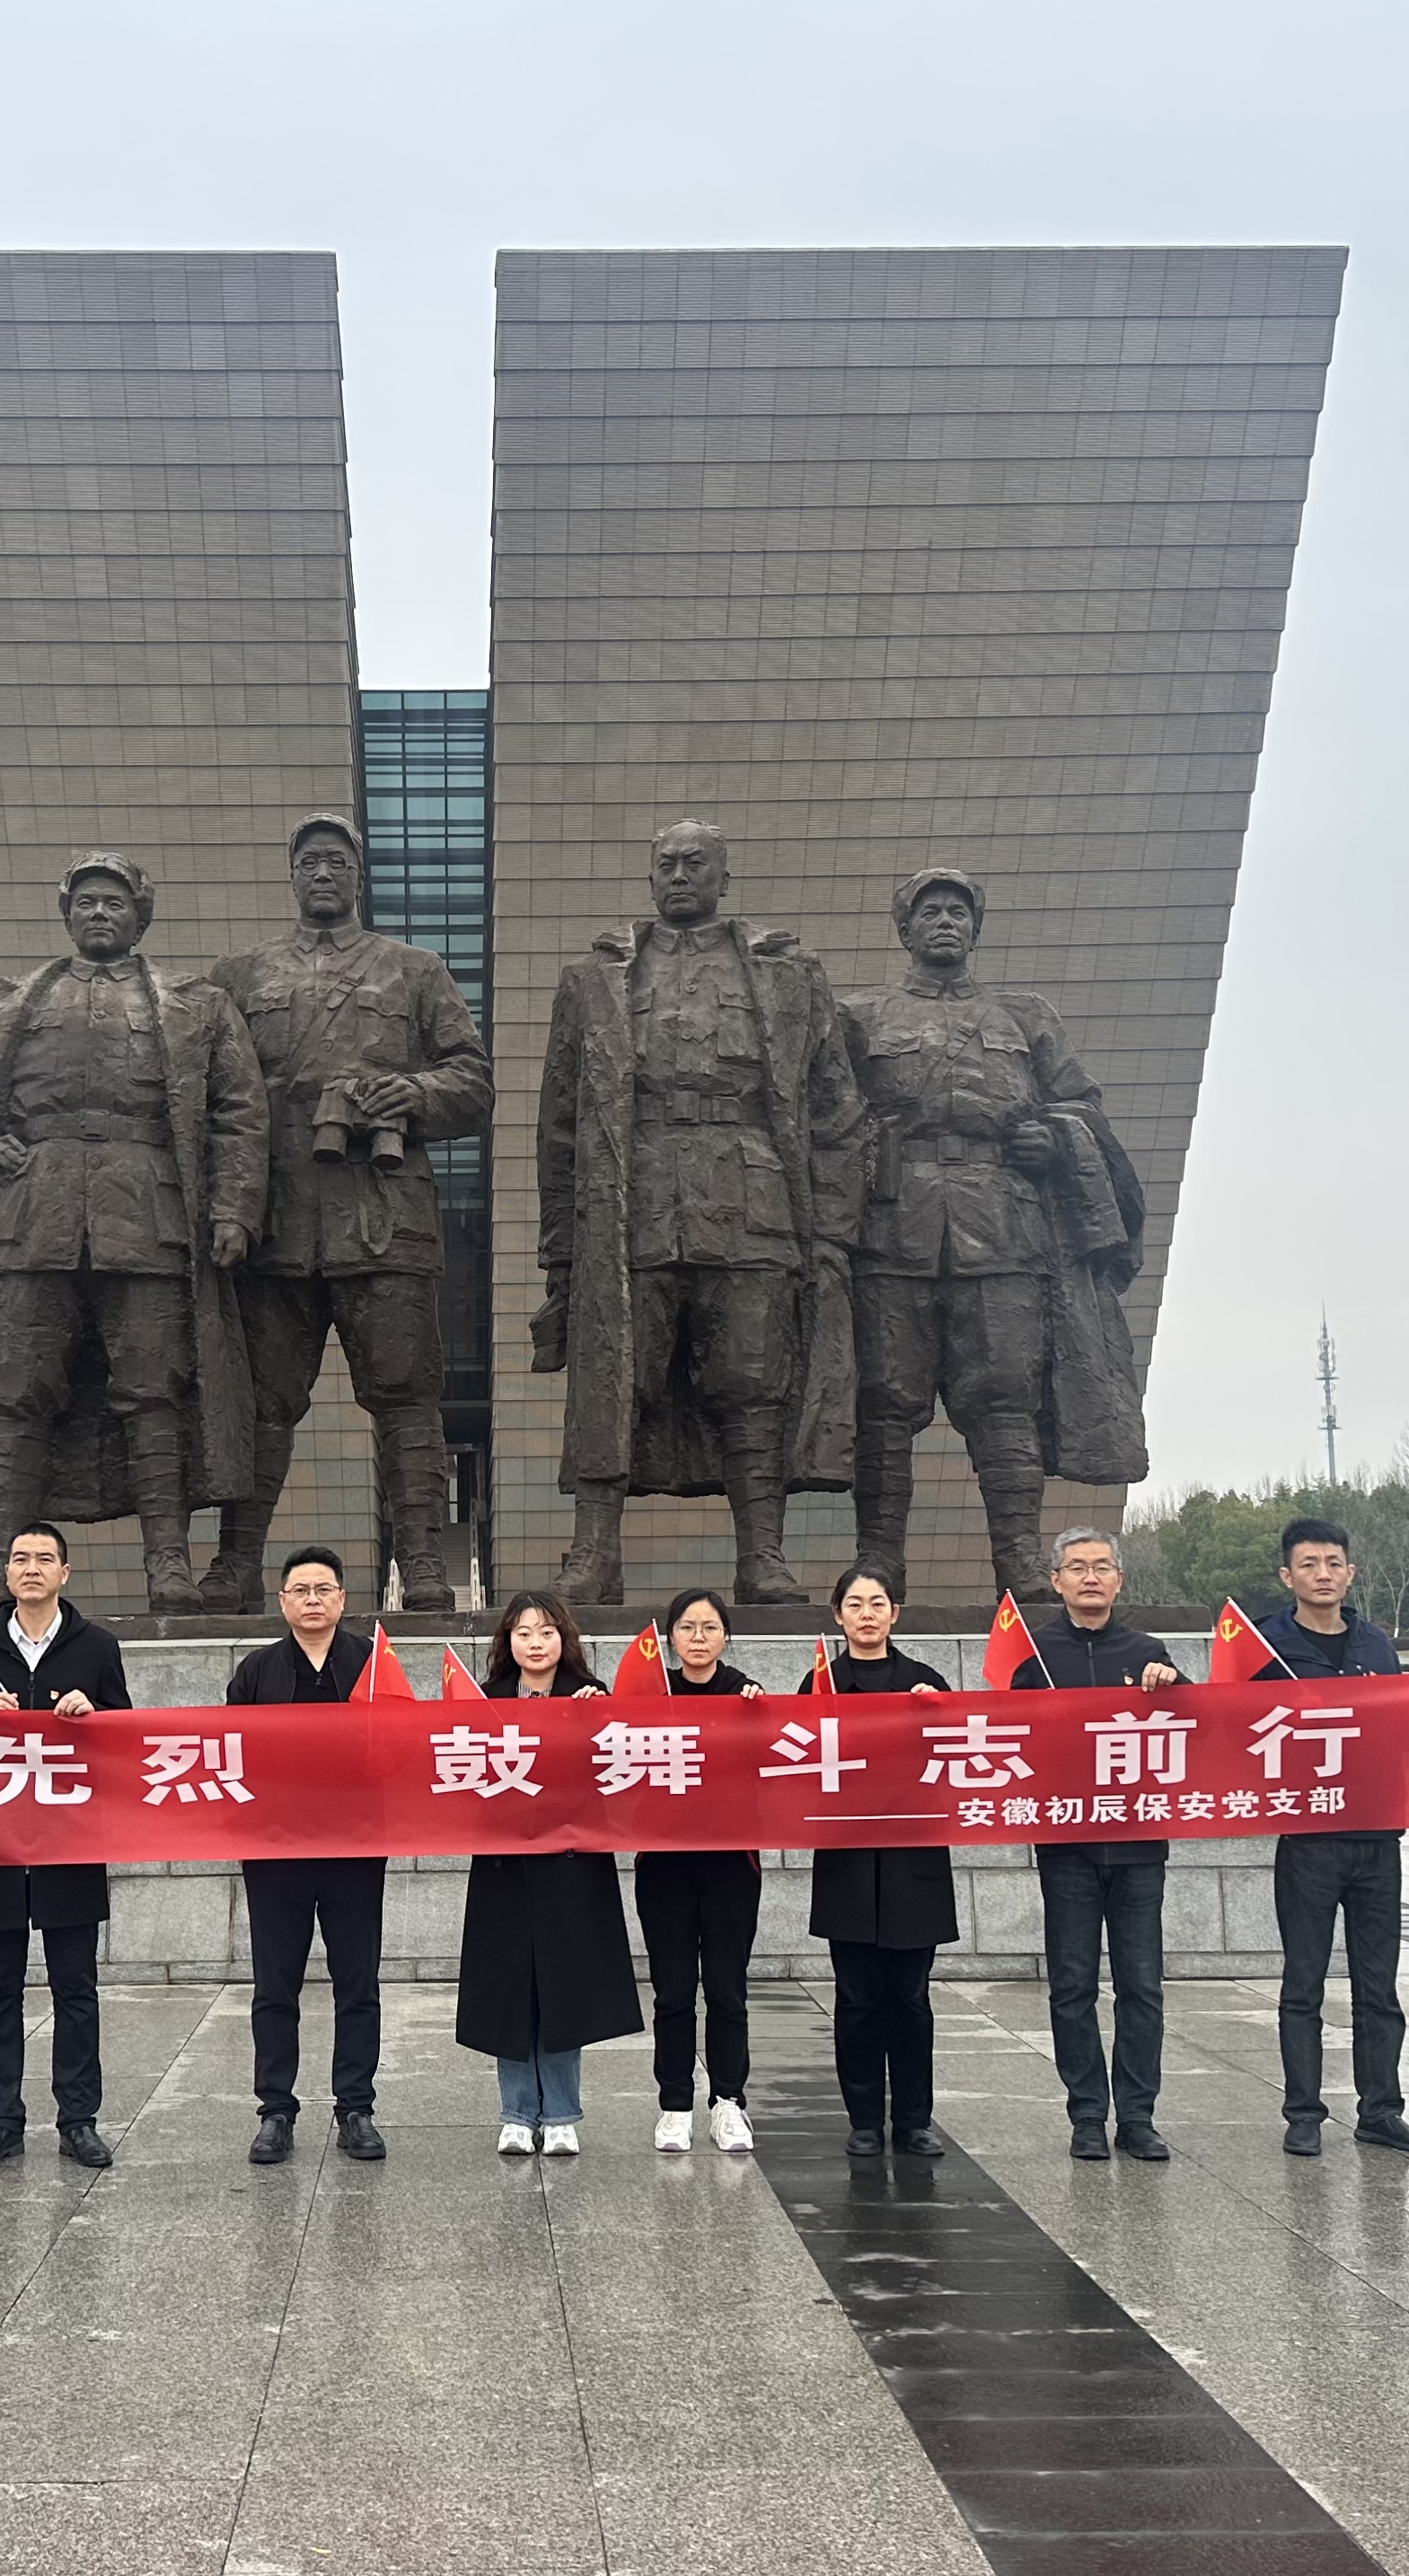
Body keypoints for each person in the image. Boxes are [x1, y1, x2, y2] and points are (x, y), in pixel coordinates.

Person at [0, 855, 266, 1613]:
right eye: (86, 901)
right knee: (14, 1390)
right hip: (32, 1215)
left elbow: (239, 1112)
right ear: (66, 912)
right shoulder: (8, 1001)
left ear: (141, 915)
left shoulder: (196, 1003)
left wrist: (234, 1208)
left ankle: (168, 1565)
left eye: (114, 902)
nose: (99, 913)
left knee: (155, 1392)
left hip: (149, 1216)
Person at [531, 818, 866, 1605]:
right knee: (618, 1375)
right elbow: (558, 1124)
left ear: (725, 875)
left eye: (696, 862)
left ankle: (764, 1557)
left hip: (752, 1195)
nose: (680, 875)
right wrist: (561, 1249)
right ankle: (594, 1553)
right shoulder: (594, 980)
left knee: (752, 1381)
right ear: (650, 880)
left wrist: (833, 1233)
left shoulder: (792, 975)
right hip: (632, 1200)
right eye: (666, 864)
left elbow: (837, 1110)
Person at [198, 813, 493, 1613]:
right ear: (292, 876)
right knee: (260, 1400)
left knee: (406, 1395)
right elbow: (206, 1096)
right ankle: (235, 1563)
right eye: (309, 862)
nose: (323, 874)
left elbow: (474, 1083)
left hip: (386, 1213)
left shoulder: (415, 970)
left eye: (337, 861)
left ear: (358, 876)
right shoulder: (237, 976)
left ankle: (425, 1565)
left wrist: (416, 1093)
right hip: (275, 1220)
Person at [840, 866, 1149, 1596]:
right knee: (885, 1401)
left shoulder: (1026, 1016)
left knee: (1005, 1398)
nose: (945, 920)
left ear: (974, 928)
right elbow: (826, 1116)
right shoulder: (860, 1017)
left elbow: (1086, 1110)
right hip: (892, 1230)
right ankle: (880, 1559)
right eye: (930, 911)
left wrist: (1054, 1137)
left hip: (1004, 1232)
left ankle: (1017, 1558)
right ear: (905, 929)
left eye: (958, 910)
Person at [0, 1520, 121, 2170]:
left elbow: (128, 1742)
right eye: (21, 1558)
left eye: (45, 1558)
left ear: (66, 1573)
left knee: (76, 1988)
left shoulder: (97, 1646)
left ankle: (79, 2119)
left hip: (70, 1843)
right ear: (6, 1573)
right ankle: (1, 2119)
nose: (32, 1567)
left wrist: (94, 1712)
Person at [1252, 1518, 1409, 2160]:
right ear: (1287, 1576)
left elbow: (1404, 1726)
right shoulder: (1265, 1649)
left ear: (1350, 1573)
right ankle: (1303, 2111)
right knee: (1303, 1982)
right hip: (1308, 1838)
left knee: (1377, 1984)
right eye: (1309, 1564)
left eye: (1334, 1562)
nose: (1323, 1573)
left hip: (1376, 1836)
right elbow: (1234, 1730)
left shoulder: (1376, 1646)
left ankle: (1381, 2108)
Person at [1010, 1532, 1181, 2163]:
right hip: (1067, 1846)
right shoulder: (1034, 1654)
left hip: (1138, 1845)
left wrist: (1174, 1682)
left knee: (1141, 1986)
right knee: (1073, 1985)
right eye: (1076, 1567)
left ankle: (1137, 2116)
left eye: (1100, 1567)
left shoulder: (1148, 1652)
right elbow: (1004, 1734)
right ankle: (1087, 2114)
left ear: (1119, 1577)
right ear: (1055, 1580)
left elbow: (1192, 1727)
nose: (1089, 1577)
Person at [223, 1544, 389, 2166]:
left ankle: (356, 2107)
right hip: (276, 1852)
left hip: (355, 1848)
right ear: (283, 1600)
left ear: (343, 1599)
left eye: (324, 1588)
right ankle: (275, 2110)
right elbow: (230, 1754)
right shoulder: (256, 1671)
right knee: (275, 1985)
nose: (313, 1599)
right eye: (301, 1589)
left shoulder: (375, 1666)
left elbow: (400, 1750)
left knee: (357, 1983)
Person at [459, 1593, 641, 2155]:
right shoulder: (482, 1703)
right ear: (506, 1643)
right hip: (503, 1865)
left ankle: (560, 2115)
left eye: (546, 1633)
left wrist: (597, 1717)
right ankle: (516, 2113)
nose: (535, 1644)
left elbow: (617, 1778)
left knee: (564, 1985)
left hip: (571, 1865)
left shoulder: (592, 1699)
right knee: (511, 1986)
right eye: (523, 1633)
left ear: (564, 1639)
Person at [803, 1566, 953, 2158]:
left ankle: (915, 2119)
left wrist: (937, 1716)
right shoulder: (822, 1683)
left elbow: (957, 1767)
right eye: (855, 1603)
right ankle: (864, 2117)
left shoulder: (925, 1681)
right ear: (837, 1615)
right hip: (848, 1864)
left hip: (914, 1863)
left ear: (896, 1613)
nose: (867, 1613)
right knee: (858, 1998)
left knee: (911, 1999)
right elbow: (795, 1766)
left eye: (878, 1603)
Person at [638, 1587, 764, 2154]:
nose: (697, 1638)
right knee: (671, 1992)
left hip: (730, 1867)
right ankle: (673, 2104)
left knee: (727, 1990)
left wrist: (761, 1714)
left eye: (709, 1627)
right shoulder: (649, 1696)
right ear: (671, 1638)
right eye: (686, 1628)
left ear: (725, 1637)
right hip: (663, 1865)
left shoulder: (746, 1694)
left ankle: (729, 2102)